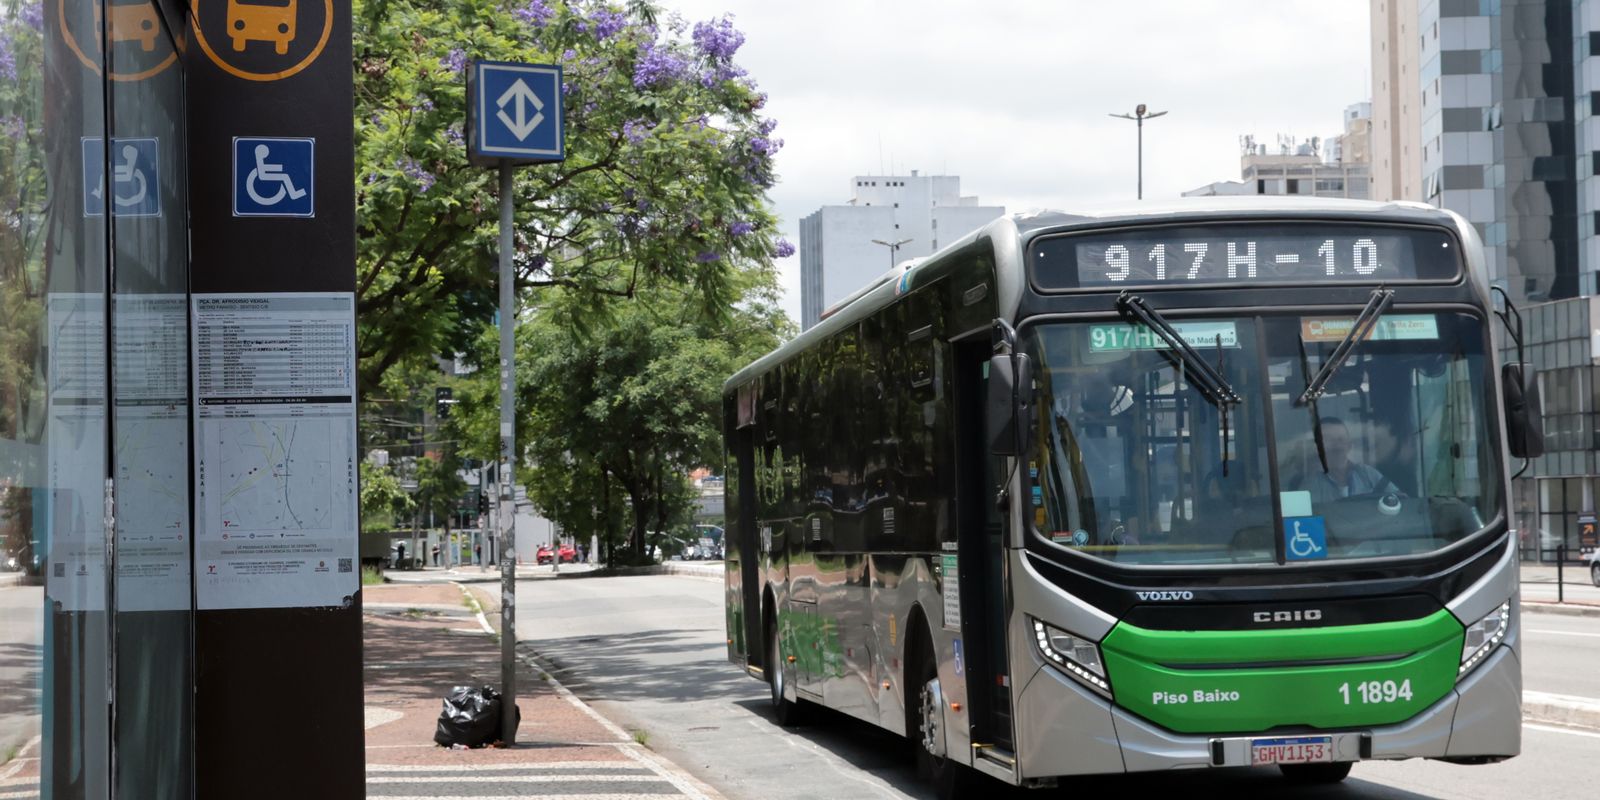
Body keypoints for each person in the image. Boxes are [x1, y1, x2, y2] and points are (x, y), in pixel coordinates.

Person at [1301, 417, 1399, 502]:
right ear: (1319, 447)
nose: (1337, 446)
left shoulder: (1368, 475)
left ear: (1349, 445)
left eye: (1341, 439)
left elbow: (1398, 500)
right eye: (1329, 440)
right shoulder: (1310, 485)